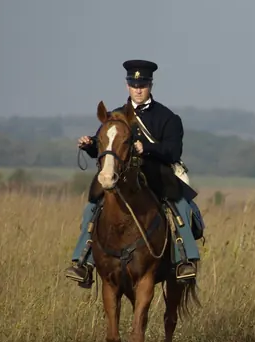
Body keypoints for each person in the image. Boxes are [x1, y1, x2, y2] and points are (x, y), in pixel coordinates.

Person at [64, 59, 203, 288]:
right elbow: (105, 147)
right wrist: (89, 145)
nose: (138, 89)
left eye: (143, 84)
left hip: (156, 173)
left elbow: (173, 151)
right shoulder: (114, 116)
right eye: (133, 84)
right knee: (92, 207)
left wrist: (146, 148)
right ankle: (83, 262)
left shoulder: (167, 118)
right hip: (122, 177)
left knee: (182, 207)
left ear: (150, 85)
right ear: (127, 85)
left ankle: (184, 260)